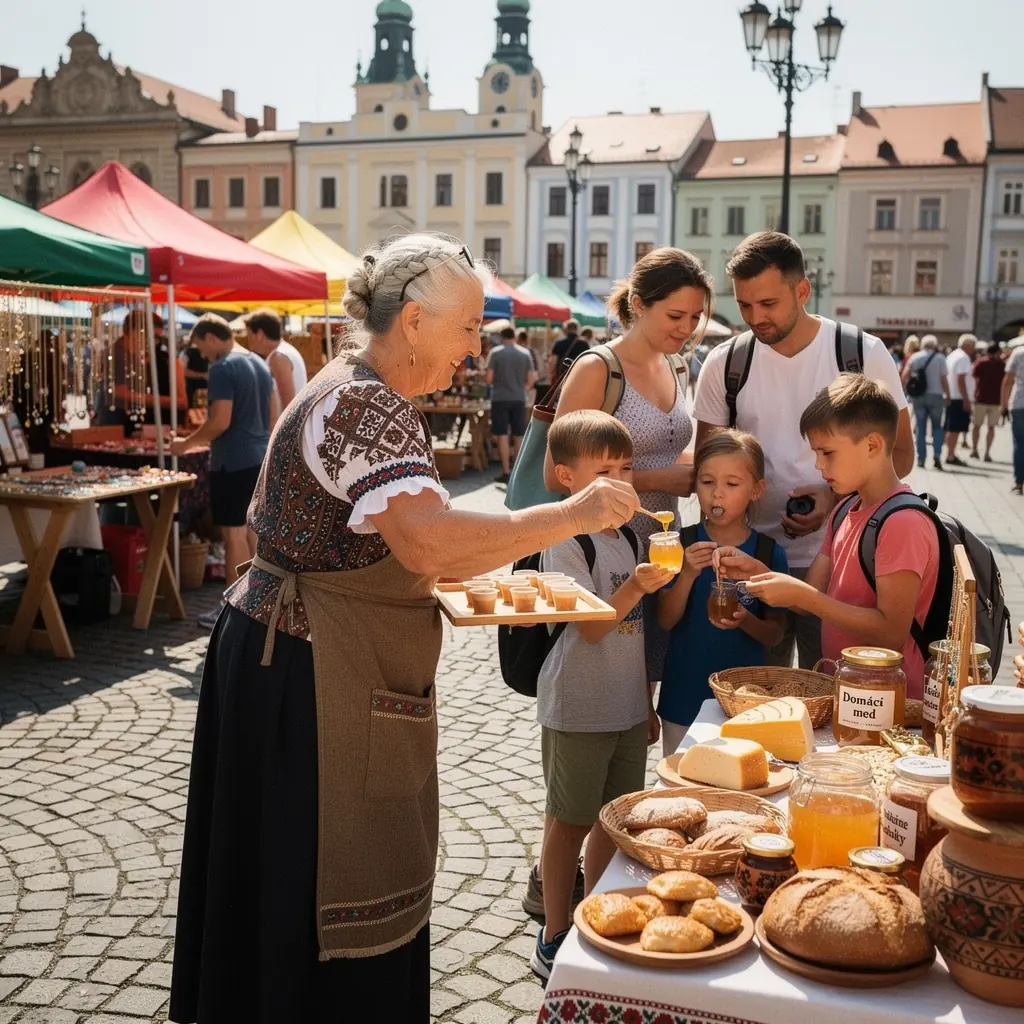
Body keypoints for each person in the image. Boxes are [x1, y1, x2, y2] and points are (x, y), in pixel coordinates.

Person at [168, 234, 639, 1024]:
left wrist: (469, 558)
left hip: (297, 657)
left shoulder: (356, 387)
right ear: (414, 321)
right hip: (308, 675)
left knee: (277, 878)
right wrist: (574, 511)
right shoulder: (365, 402)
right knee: (316, 876)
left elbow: (416, 543)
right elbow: (428, 540)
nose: (474, 350)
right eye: (465, 331)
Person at [693, 231, 913, 670]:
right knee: (755, 698)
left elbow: (902, 456)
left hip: (839, 564)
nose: (756, 317)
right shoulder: (725, 363)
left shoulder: (860, 354)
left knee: (828, 690)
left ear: (802, 290)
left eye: (768, 304)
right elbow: (707, 466)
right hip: (749, 559)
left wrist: (836, 497)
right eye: (744, 305)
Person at [532, 409, 672, 979]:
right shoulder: (566, 538)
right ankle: (554, 930)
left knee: (613, 821)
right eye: (605, 469)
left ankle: (597, 914)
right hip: (578, 702)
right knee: (568, 821)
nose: (620, 481)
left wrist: (646, 701)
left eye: (627, 468)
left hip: (623, 703)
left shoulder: (630, 535)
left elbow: (636, 636)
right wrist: (638, 584)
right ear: (568, 477)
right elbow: (590, 626)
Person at [544, 246, 709, 684]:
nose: (687, 328)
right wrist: (660, 478)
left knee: (647, 684)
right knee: (607, 677)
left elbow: (672, 443)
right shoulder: (599, 368)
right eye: (676, 316)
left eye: (695, 317)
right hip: (607, 550)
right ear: (639, 305)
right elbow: (555, 474)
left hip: (660, 544)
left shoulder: (677, 366)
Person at [740, 375, 939, 701]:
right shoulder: (846, 506)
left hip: (890, 702)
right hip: (849, 693)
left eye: (827, 452)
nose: (819, 465)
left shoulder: (903, 523)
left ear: (873, 444)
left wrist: (804, 598)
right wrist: (754, 572)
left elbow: (891, 633)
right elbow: (811, 596)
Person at [656, 431, 788, 756]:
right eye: (707, 482)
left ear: (756, 490)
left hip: (744, 704)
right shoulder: (678, 544)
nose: (717, 494)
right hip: (682, 699)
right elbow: (664, 619)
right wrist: (687, 573)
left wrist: (745, 621)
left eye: (732, 485)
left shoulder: (769, 554)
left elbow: (774, 635)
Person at [169, 313, 275, 629]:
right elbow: (273, 415)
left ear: (211, 338)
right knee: (252, 532)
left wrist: (185, 444)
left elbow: (220, 422)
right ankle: (260, 601)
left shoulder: (223, 367)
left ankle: (234, 608)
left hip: (233, 461)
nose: (203, 356)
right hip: (258, 456)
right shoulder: (258, 363)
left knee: (233, 535)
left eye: (202, 348)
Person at [96, 310, 186, 435]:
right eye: (152, 336)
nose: (154, 342)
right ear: (135, 332)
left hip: (126, 418)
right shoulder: (117, 354)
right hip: (115, 420)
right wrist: (167, 401)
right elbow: (119, 391)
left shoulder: (133, 355)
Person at [486, 325, 536, 482]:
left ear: (501, 337)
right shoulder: (525, 353)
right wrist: (523, 389)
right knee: (518, 434)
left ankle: (506, 470)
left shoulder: (495, 353)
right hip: (518, 397)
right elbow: (531, 379)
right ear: (514, 336)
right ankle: (518, 472)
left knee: (502, 434)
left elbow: (488, 378)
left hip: (500, 397)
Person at [246, 308, 308, 417]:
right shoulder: (282, 352)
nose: (248, 339)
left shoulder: (278, 357)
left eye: (249, 334)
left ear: (259, 334)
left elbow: (289, 405)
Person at [901, 334, 948, 469]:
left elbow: (905, 375)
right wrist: (948, 394)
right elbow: (944, 378)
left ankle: (921, 459)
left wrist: (905, 390)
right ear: (935, 344)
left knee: (920, 427)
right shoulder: (940, 358)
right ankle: (937, 455)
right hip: (936, 395)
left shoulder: (915, 357)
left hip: (919, 396)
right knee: (937, 427)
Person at [943, 333, 976, 467]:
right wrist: (966, 399)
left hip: (951, 396)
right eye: (973, 346)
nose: (973, 349)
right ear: (968, 345)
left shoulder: (952, 355)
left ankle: (949, 453)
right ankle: (951, 455)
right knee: (955, 428)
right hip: (958, 397)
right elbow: (961, 380)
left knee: (950, 427)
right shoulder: (963, 358)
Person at [971, 341, 1005, 462]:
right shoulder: (1002, 364)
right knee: (991, 427)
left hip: (981, 398)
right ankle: (986, 452)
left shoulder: (981, 362)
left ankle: (975, 449)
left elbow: (974, 376)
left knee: (977, 426)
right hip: (995, 400)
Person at [1002, 341, 1024, 495]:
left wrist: (1003, 404)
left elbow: (1008, 380)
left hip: (1019, 403)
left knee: (1019, 443)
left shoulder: (1018, 353)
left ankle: (1019, 481)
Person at [547, 318, 588, 383]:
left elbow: (552, 361)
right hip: (579, 375)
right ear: (576, 329)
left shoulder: (559, 343)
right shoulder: (584, 344)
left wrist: (551, 375)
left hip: (561, 376)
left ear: (566, 329)